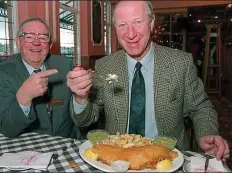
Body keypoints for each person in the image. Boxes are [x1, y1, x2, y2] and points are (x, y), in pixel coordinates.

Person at [66, 1, 230, 160]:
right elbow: (86, 119)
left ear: (151, 24)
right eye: (122, 25)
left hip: (168, 158)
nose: (130, 34)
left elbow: (201, 107)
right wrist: (81, 98)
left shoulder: (181, 63)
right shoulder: (104, 65)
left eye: (137, 22)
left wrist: (207, 133)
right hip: (118, 159)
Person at [0, 17, 82, 139]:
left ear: (50, 44)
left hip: (68, 141)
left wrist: (81, 94)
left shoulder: (64, 65)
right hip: (30, 147)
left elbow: (79, 115)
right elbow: (8, 128)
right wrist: (24, 97)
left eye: (43, 37)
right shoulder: (1, 73)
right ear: (18, 42)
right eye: (29, 36)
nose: (36, 42)